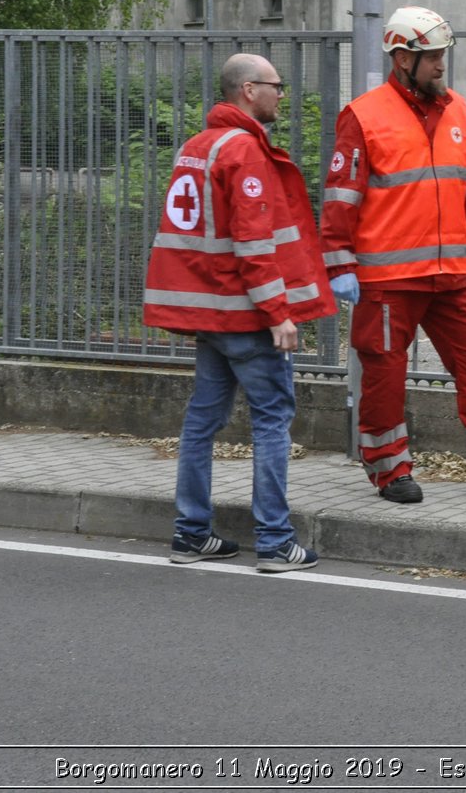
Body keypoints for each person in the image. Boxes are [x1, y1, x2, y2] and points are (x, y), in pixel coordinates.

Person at [320, 6, 466, 504]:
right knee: (384, 375)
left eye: (442, 55)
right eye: (432, 57)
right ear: (402, 59)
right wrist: (338, 264)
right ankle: (389, 470)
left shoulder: (457, 108)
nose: (442, 65)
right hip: (387, 280)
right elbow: (340, 198)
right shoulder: (363, 116)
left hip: (450, 275)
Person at [143, 53, 332, 573]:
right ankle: (274, 542)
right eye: (276, 85)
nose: (282, 95)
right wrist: (278, 313)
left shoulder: (196, 147)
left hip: (208, 315)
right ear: (249, 90)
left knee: (202, 422)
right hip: (246, 316)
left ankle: (191, 534)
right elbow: (254, 243)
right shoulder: (244, 150)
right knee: (272, 422)